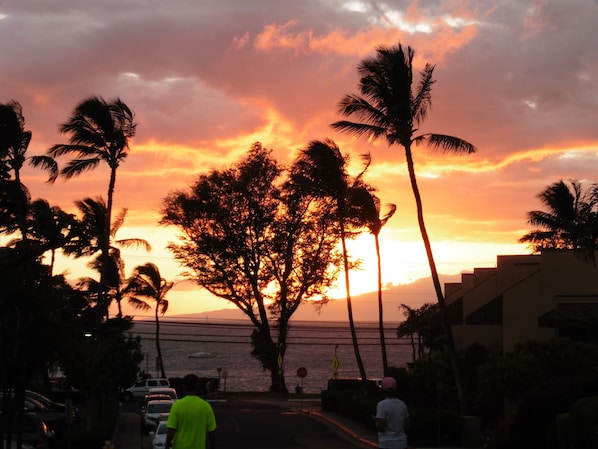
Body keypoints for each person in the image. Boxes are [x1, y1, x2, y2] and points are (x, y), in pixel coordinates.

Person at [166, 373, 217, 449]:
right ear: (197, 387)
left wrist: (166, 447)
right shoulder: (206, 406)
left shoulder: (177, 406)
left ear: (184, 387)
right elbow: (211, 433)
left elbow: (171, 430)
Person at [375, 376, 410, 449]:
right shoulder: (402, 404)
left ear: (383, 389)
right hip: (401, 442)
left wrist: (377, 422)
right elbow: (407, 425)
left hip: (386, 442)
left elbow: (381, 426)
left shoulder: (382, 405)